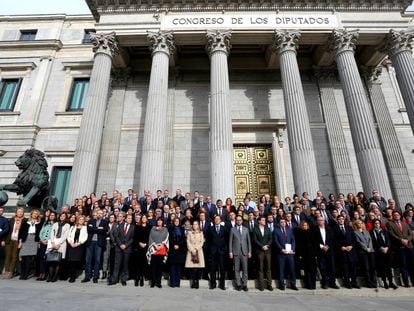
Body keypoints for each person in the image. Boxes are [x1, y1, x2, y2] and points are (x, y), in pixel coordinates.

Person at [386, 211, 414, 287]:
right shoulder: (390, 224)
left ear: (400, 215)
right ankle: (406, 282)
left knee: (412, 264)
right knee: (403, 265)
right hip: (399, 247)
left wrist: (407, 240)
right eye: (394, 215)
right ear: (393, 216)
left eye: (397, 215)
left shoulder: (405, 223)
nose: (396, 216)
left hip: (409, 246)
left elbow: (410, 234)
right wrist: (401, 240)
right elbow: (392, 234)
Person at [333, 215, 359, 289]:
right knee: (345, 269)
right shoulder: (334, 229)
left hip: (351, 251)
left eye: (342, 219)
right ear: (337, 220)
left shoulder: (349, 228)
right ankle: (347, 283)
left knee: (353, 268)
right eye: (339, 219)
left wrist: (351, 246)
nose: (341, 220)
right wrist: (341, 247)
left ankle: (354, 282)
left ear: (344, 220)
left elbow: (354, 239)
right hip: (342, 251)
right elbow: (334, 240)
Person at [108, 213, 135, 286]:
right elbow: (116, 236)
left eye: (131, 218)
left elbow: (132, 238)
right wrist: (120, 245)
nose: (130, 219)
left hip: (127, 249)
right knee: (117, 264)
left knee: (125, 265)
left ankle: (123, 279)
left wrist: (125, 245)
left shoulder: (133, 227)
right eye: (129, 218)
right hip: (118, 248)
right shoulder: (119, 226)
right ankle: (114, 279)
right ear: (125, 219)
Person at [83, 209, 109, 283]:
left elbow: (104, 231)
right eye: (98, 213)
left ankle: (95, 276)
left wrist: (95, 229)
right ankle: (87, 276)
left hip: (99, 243)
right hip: (90, 242)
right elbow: (89, 229)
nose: (99, 214)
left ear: (103, 214)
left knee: (97, 260)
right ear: (96, 214)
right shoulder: (91, 221)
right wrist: (98, 229)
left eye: (101, 213)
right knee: (88, 260)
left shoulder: (105, 222)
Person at [371, 219, 397, 289]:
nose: (377, 225)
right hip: (379, 252)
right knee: (382, 268)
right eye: (375, 223)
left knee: (388, 268)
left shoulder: (384, 231)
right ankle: (385, 282)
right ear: (373, 224)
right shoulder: (371, 232)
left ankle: (391, 282)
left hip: (387, 251)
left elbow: (388, 240)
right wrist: (380, 248)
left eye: (378, 223)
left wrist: (387, 247)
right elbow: (373, 242)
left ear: (380, 224)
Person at [313, 216, 339, 289]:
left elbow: (332, 239)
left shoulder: (329, 229)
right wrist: (322, 246)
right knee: (322, 267)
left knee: (332, 267)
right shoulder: (314, 230)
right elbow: (314, 240)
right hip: (320, 251)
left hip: (329, 251)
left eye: (321, 220)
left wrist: (328, 246)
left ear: (324, 221)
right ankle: (325, 283)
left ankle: (332, 283)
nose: (320, 221)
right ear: (317, 221)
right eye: (319, 220)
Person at [229, 215, 251, 291]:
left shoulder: (246, 229)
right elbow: (230, 242)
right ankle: (238, 284)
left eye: (240, 220)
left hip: (244, 252)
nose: (239, 221)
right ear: (235, 221)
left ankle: (244, 284)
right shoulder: (232, 230)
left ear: (242, 221)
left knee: (245, 269)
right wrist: (230, 252)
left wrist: (249, 251)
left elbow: (249, 242)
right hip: (236, 252)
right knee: (236, 269)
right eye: (237, 220)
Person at [274, 218, 297, 290]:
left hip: (290, 253)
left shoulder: (289, 230)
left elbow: (293, 240)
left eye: (284, 222)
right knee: (281, 270)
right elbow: (276, 241)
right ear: (279, 223)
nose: (283, 223)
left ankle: (293, 284)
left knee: (292, 269)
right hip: (281, 254)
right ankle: (282, 285)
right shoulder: (276, 230)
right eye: (281, 222)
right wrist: (281, 249)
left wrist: (292, 249)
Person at [18, 209, 41, 280]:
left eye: (36, 214)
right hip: (26, 239)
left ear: (38, 215)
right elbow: (21, 232)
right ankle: (22, 273)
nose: (35, 215)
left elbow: (39, 233)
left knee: (29, 259)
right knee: (23, 258)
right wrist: (20, 241)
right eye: (34, 213)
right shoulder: (26, 222)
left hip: (34, 240)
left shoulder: (39, 223)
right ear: (31, 214)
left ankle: (26, 274)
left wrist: (38, 242)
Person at [47, 212, 70, 282]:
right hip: (53, 242)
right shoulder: (55, 224)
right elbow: (52, 233)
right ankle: (50, 276)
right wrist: (53, 242)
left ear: (65, 217)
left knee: (58, 261)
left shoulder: (67, 225)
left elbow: (65, 235)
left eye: (63, 216)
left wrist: (59, 244)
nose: (62, 217)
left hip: (61, 244)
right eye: (61, 216)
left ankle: (55, 276)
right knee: (51, 260)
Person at [3, 207, 26, 279]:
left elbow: (24, 232)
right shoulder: (11, 220)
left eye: (21, 212)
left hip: (17, 240)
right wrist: (3, 240)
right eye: (19, 212)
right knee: (8, 256)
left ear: (23, 213)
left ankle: (11, 272)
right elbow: (7, 230)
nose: (20, 213)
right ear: (16, 212)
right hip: (9, 240)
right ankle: (6, 271)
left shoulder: (25, 221)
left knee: (14, 257)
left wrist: (21, 241)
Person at [353, 220, 377, 288]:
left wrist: (370, 248)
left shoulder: (367, 231)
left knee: (372, 267)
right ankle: (368, 282)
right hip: (363, 252)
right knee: (366, 268)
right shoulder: (355, 233)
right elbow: (359, 242)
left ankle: (374, 282)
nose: (360, 224)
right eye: (358, 223)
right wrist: (366, 248)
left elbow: (370, 240)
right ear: (356, 225)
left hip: (371, 251)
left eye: (361, 223)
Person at [207, 214, 227, 290]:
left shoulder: (224, 228)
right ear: (214, 220)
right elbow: (208, 240)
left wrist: (225, 249)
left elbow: (226, 239)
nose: (217, 220)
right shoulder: (210, 229)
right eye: (215, 219)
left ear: (220, 220)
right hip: (213, 252)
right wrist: (210, 250)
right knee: (213, 269)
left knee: (222, 269)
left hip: (222, 252)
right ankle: (213, 284)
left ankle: (222, 285)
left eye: (218, 219)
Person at [252, 215, 273, 291]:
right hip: (259, 251)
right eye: (263, 220)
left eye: (265, 220)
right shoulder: (255, 229)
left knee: (268, 268)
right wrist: (262, 246)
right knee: (260, 268)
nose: (265, 221)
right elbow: (255, 240)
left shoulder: (268, 229)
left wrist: (267, 245)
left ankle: (269, 285)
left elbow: (271, 239)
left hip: (268, 251)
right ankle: (261, 285)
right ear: (259, 221)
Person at [295, 220, 317, 289]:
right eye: (304, 225)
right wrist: (300, 255)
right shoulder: (299, 233)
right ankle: (308, 285)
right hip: (304, 254)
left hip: (312, 254)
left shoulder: (311, 232)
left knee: (313, 270)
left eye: (306, 225)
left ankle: (313, 285)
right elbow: (298, 245)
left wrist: (315, 254)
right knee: (306, 271)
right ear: (301, 226)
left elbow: (314, 244)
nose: (305, 226)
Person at [147, 217, 169, 288]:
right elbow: (150, 237)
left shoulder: (165, 229)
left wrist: (162, 245)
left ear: (162, 222)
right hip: (154, 249)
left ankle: (158, 282)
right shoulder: (153, 228)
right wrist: (155, 245)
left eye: (161, 221)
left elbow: (166, 238)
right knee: (153, 267)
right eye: (158, 221)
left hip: (162, 249)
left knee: (160, 267)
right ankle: (153, 282)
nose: (159, 222)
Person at [66, 215, 88, 283]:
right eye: (80, 219)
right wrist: (70, 242)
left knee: (76, 261)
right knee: (71, 261)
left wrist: (78, 243)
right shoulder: (73, 227)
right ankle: (71, 276)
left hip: (79, 246)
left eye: (82, 219)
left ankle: (73, 276)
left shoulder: (85, 228)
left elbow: (85, 237)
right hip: (71, 245)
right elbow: (68, 236)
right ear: (77, 220)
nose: (81, 220)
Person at [185, 220, 205, 289]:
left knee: (198, 268)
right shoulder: (189, 233)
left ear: (198, 225)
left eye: (196, 224)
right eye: (193, 224)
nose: (194, 225)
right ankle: (193, 281)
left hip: (198, 251)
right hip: (191, 252)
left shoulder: (201, 233)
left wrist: (196, 248)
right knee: (192, 268)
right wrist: (192, 249)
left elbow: (202, 242)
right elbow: (188, 242)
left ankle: (197, 281)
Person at [37, 211, 56, 281]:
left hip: (50, 243)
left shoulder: (56, 224)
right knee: (42, 258)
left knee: (48, 259)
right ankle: (41, 273)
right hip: (43, 242)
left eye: (53, 215)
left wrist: (48, 240)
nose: (51, 216)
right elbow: (41, 232)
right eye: (50, 215)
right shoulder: (45, 223)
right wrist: (42, 240)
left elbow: (54, 234)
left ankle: (46, 274)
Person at [168, 217, 186, 288]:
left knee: (178, 267)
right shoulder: (170, 229)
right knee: (172, 267)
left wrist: (178, 245)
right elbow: (169, 238)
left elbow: (183, 239)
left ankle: (177, 283)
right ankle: (172, 283)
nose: (176, 222)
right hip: (172, 249)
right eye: (175, 221)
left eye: (177, 221)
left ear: (179, 222)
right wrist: (174, 245)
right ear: (173, 222)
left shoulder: (182, 229)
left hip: (179, 250)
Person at [0, 205, 10, 274]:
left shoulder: (4, 220)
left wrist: (3, 239)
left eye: (1, 211)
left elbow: (6, 230)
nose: (0, 212)